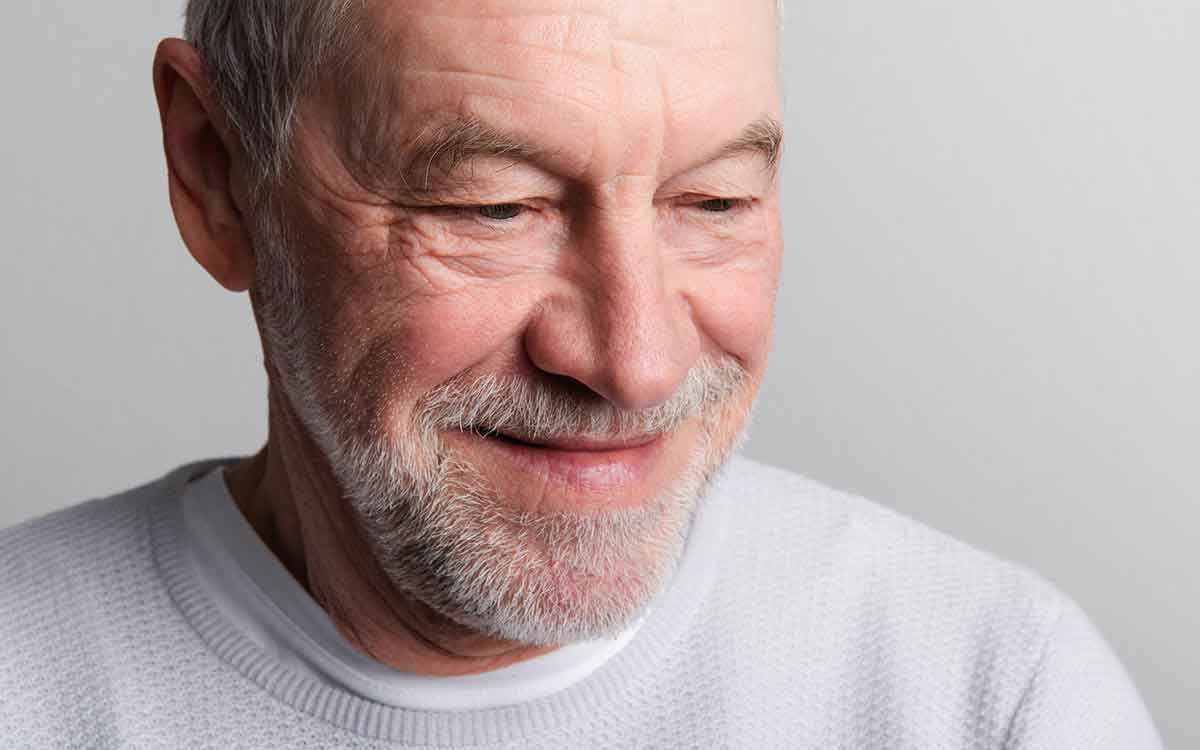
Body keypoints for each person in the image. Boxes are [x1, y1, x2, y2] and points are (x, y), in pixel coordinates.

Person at [0, 1, 1163, 747]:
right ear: (215, 171)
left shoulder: (994, 697)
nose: (635, 361)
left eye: (713, 202)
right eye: (491, 206)